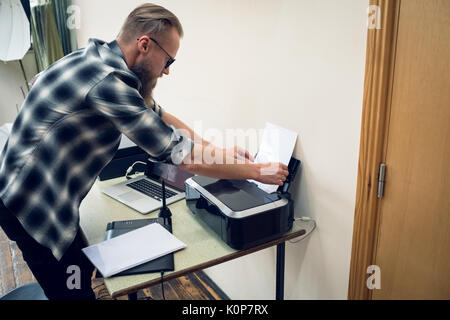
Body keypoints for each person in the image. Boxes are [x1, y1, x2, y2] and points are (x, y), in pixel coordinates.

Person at [0, 3, 288, 300]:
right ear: (145, 44)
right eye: (168, 61)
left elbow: (162, 117)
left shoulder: (100, 57)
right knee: (72, 291)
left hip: (41, 189)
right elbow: (181, 156)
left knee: (81, 271)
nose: (166, 72)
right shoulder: (107, 82)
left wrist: (219, 151)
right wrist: (257, 171)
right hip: (30, 202)